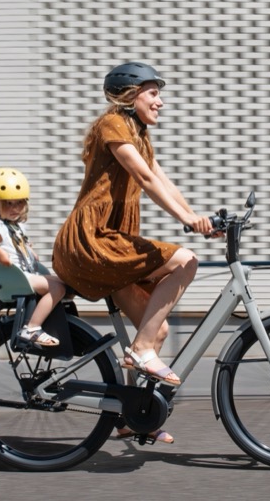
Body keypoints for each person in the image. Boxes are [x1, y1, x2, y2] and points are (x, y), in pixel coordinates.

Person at [52, 62, 214, 443]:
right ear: (131, 95)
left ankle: (129, 417)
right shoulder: (113, 125)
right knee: (185, 260)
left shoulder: (138, 133)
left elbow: (160, 178)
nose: (161, 102)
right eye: (153, 93)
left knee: (155, 330)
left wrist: (197, 217)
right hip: (93, 240)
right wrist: (188, 222)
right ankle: (139, 351)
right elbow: (142, 177)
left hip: (112, 242)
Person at [0, 167, 66, 348]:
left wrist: (29, 250)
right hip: (16, 278)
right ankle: (32, 328)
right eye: (7, 204)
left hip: (26, 274)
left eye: (19, 203)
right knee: (57, 289)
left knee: (66, 284)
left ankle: (59, 325)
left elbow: (16, 245)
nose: (14, 208)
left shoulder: (15, 226)